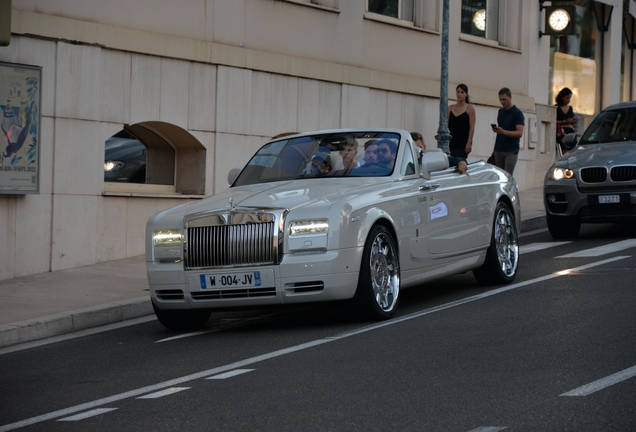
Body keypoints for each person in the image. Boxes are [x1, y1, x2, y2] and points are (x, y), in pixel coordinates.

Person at [491, 87, 524, 176]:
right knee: (500, 176)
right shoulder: (501, 111)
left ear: (510, 97)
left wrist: (504, 132)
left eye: (504, 99)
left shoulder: (517, 113)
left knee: (507, 176)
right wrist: (494, 149)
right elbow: (500, 132)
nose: (502, 102)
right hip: (499, 148)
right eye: (500, 100)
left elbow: (519, 133)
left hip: (511, 150)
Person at [447, 83, 475, 158]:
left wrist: (469, 142)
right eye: (458, 92)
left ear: (466, 94)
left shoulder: (469, 108)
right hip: (451, 143)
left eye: (462, 92)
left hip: (462, 144)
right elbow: (446, 125)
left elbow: (472, 127)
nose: (460, 94)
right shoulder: (450, 108)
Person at [555, 87, 579, 152]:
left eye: (569, 98)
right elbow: (553, 121)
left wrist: (573, 120)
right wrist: (564, 121)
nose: (568, 100)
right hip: (561, 132)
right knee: (563, 150)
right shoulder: (556, 108)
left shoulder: (570, 108)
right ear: (562, 97)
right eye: (567, 98)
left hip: (570, 131)